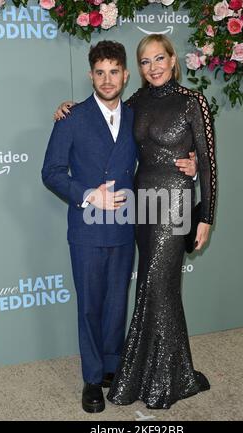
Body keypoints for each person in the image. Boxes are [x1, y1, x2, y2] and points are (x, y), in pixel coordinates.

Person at [43, 40, 197, 413]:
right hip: (87, 226)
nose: (108, 79)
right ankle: (92, 378)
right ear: (91, 75)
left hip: (125, 225)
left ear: (126, 75)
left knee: (116, 304)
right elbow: (50, 172)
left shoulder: (134, 114)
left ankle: (113, 367)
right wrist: (88, 195)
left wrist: (191, 164)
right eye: (100, 72)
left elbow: (164, 146)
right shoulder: (73, 117)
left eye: (115, 72)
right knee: (90, 306)